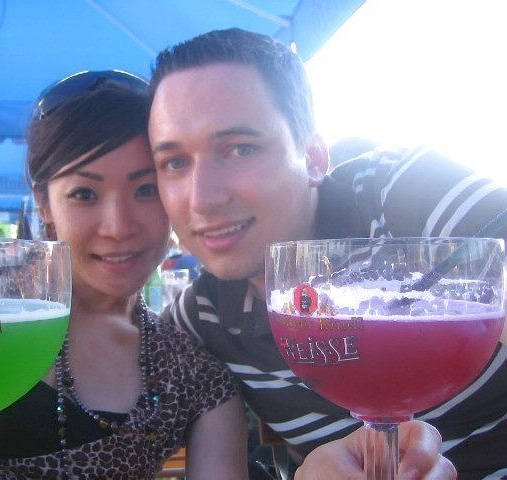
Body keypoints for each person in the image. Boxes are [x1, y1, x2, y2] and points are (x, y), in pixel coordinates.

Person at [148, 28, 506, 478]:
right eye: (175, 163)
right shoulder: (204, 318)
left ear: (315, 157)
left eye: (241, 149)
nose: (201, 199)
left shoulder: (400, 194)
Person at [0, 72, 247, 479]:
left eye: (146, 189)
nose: (118, 226)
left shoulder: (194, 376)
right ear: (44, 204)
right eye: (84, 194)